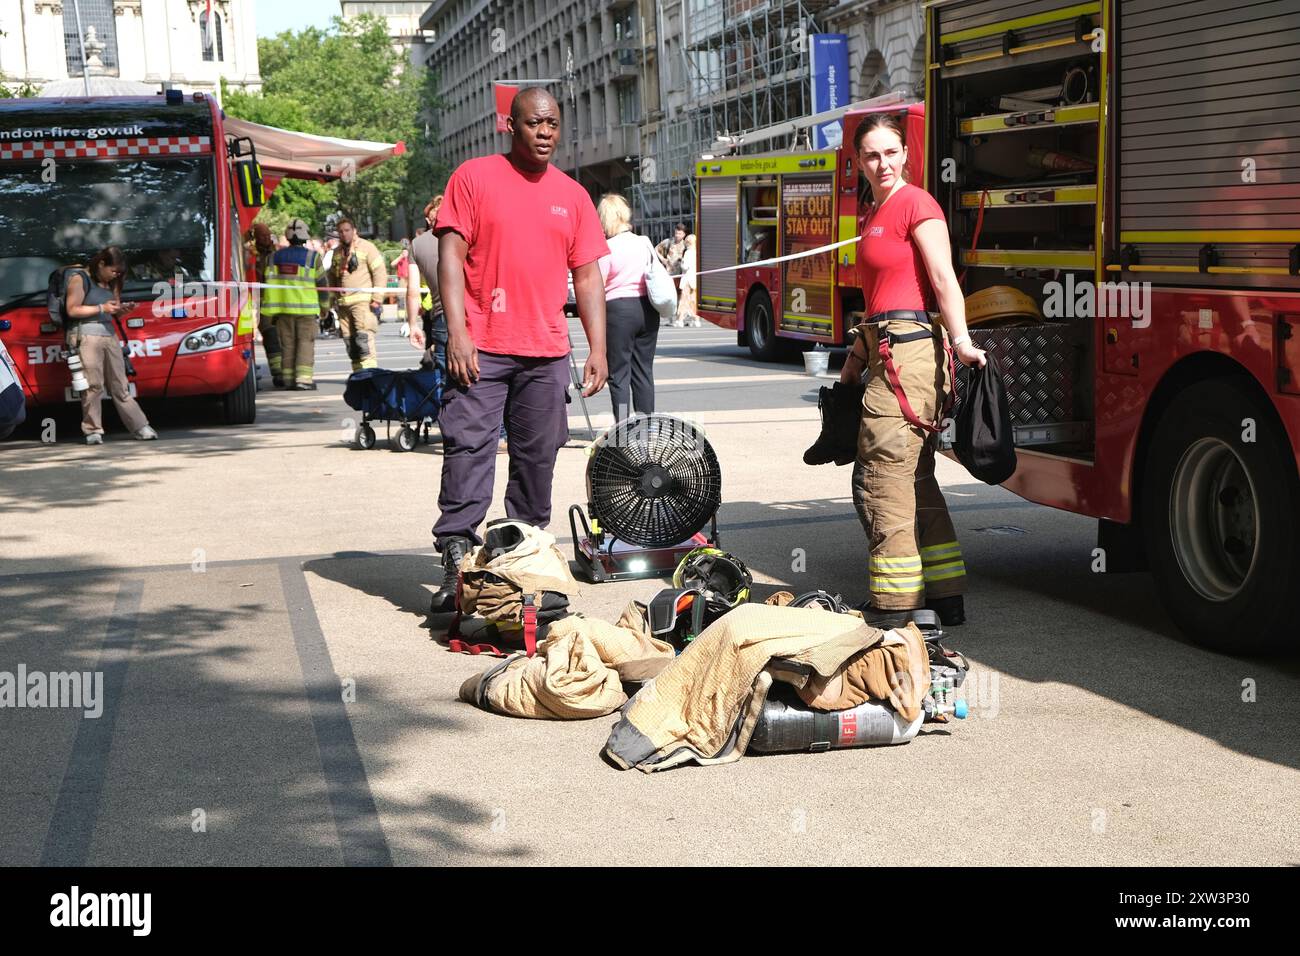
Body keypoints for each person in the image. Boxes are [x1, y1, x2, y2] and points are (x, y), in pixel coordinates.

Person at [427, 86, 609, 613]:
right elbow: (450, 257)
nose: (545, 133)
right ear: (511, 125)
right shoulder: (474, 177)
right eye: (534, 124)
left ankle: (521, 553)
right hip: (481, 346)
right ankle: (458, 557)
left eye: (552, 124)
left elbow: (589, 276)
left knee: (538, 457)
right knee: (468, 448)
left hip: (546, 351)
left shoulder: (573, 195)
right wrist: (457, 331)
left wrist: (597, 347)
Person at [839, 112, 987, 627]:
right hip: (886, 348)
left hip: (909, 357)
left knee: (882, 475)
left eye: (891, 153)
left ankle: (896, 606)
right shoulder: (873, 213)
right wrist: (855, 363)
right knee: (915, 476)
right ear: (858, 160)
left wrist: (963, 341)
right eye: (872, 155)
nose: (882, 163)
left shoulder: (915, 204)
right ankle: (945, 595)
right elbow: (877, 301)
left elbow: (944, 278)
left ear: (906, 155)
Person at [62, 246, 157, 444]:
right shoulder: (80, 279)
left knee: (120, 384)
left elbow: (112, 313)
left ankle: (140, 426)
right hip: (86, 335)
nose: (115, 275)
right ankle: (93, 430)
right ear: (101, 264)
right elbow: (72, 310)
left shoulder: (112, 283)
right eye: (113, 270)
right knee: (93, 385)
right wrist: (101, 307)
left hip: (108, 334)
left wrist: (123, 310)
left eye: (119, 272)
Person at [596, 193, 659, 419]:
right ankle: (646, 426)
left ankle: (623, 429)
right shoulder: (643, 242)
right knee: (644, 371)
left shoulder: (606, 248)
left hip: (618, 311)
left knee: (619, 373)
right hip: (647, 309)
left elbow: (598, 287)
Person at [262, 218, 327, 390]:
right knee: (305, 343)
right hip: (306, 311)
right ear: (305, 237)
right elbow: (322, 284)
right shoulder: (313, 258)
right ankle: (303, 380)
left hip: (281, 310)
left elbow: (265, 283)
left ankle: (289, 380)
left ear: (288, 237)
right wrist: (325, 307)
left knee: (287, 345)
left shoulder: (272, 258)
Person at [329, 218, 387, 372]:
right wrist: (331, 301)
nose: (344, 234)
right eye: (340, 231)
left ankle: (370, 375)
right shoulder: (336, 252)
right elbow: (332, 278)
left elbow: (380, 273)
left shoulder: (367, 248)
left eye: (347, 230)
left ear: (354, 231)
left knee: (364, 341)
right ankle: (358, 375)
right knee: (350, 344)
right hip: (343, 305)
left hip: (363, 304)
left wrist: (377, 299)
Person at [249, 223, 283, 387]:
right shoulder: (250, 253)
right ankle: (277, 372)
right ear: (255, 237)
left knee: (279, 336)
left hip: (276, 300)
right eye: (262, 236)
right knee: (269, 335)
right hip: (257, 300)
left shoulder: (277, 253)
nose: (266, 238)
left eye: (268, 235)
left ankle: (281, 372)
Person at [674, 234, 699, 327]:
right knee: (693, 300)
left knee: (683, 300)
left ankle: (680, 320)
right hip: (694, 278)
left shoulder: (688, 252)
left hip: (687, 279)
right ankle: (696, 320)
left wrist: (681, 262)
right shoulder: (696, 252)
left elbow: (685, 267)